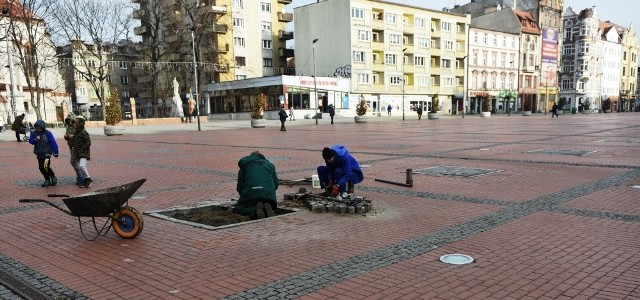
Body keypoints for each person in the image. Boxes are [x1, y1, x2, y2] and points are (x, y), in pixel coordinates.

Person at [234, 151, 279, 219]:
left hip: (251, 193)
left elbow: (240, 185)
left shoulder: (245, 165)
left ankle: (255, 211)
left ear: (250, 157)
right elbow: (276, 183)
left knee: (240, 209)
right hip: (268, 194)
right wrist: (269, 193)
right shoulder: (270, 165)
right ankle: (267, 207)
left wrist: (244, 196)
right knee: (267, 201)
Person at [28, 120, 59, 187]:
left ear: (43, 127)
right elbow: (31, 141)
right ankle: (47, 179)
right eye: (37, 128)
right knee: (41, 168)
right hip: (39, 153)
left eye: (40, 128)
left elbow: (53, 142)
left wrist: (55, 152)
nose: (38, 129)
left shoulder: (48, 133)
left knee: (45, 166)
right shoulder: (33, 133)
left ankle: (53, 177)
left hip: (47, 153)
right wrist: (35, 139)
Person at [69, 116, 92, 188]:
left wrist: (81, 148)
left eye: (75, 124)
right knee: (73, 162)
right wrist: (70, 142)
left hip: (83, 153)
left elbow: (88, 143)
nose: (74, 125)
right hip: (77, 152)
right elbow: (74, 141)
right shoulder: (77, 132)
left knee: (81, 165)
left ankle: (88, 179)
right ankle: (84, 179)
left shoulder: (84, 133)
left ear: (80, 124)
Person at [63, 112, 84, 185]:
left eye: (71, 120)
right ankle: (80, 177)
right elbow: (68, 137)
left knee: (73, 161)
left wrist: (72, 136)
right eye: (68, 120)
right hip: (71, 146)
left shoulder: (79, 127)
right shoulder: (68, 127)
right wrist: (66, 137)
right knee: (76, 162)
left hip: (78, 146)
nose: (70, 122)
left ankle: (82, 176)